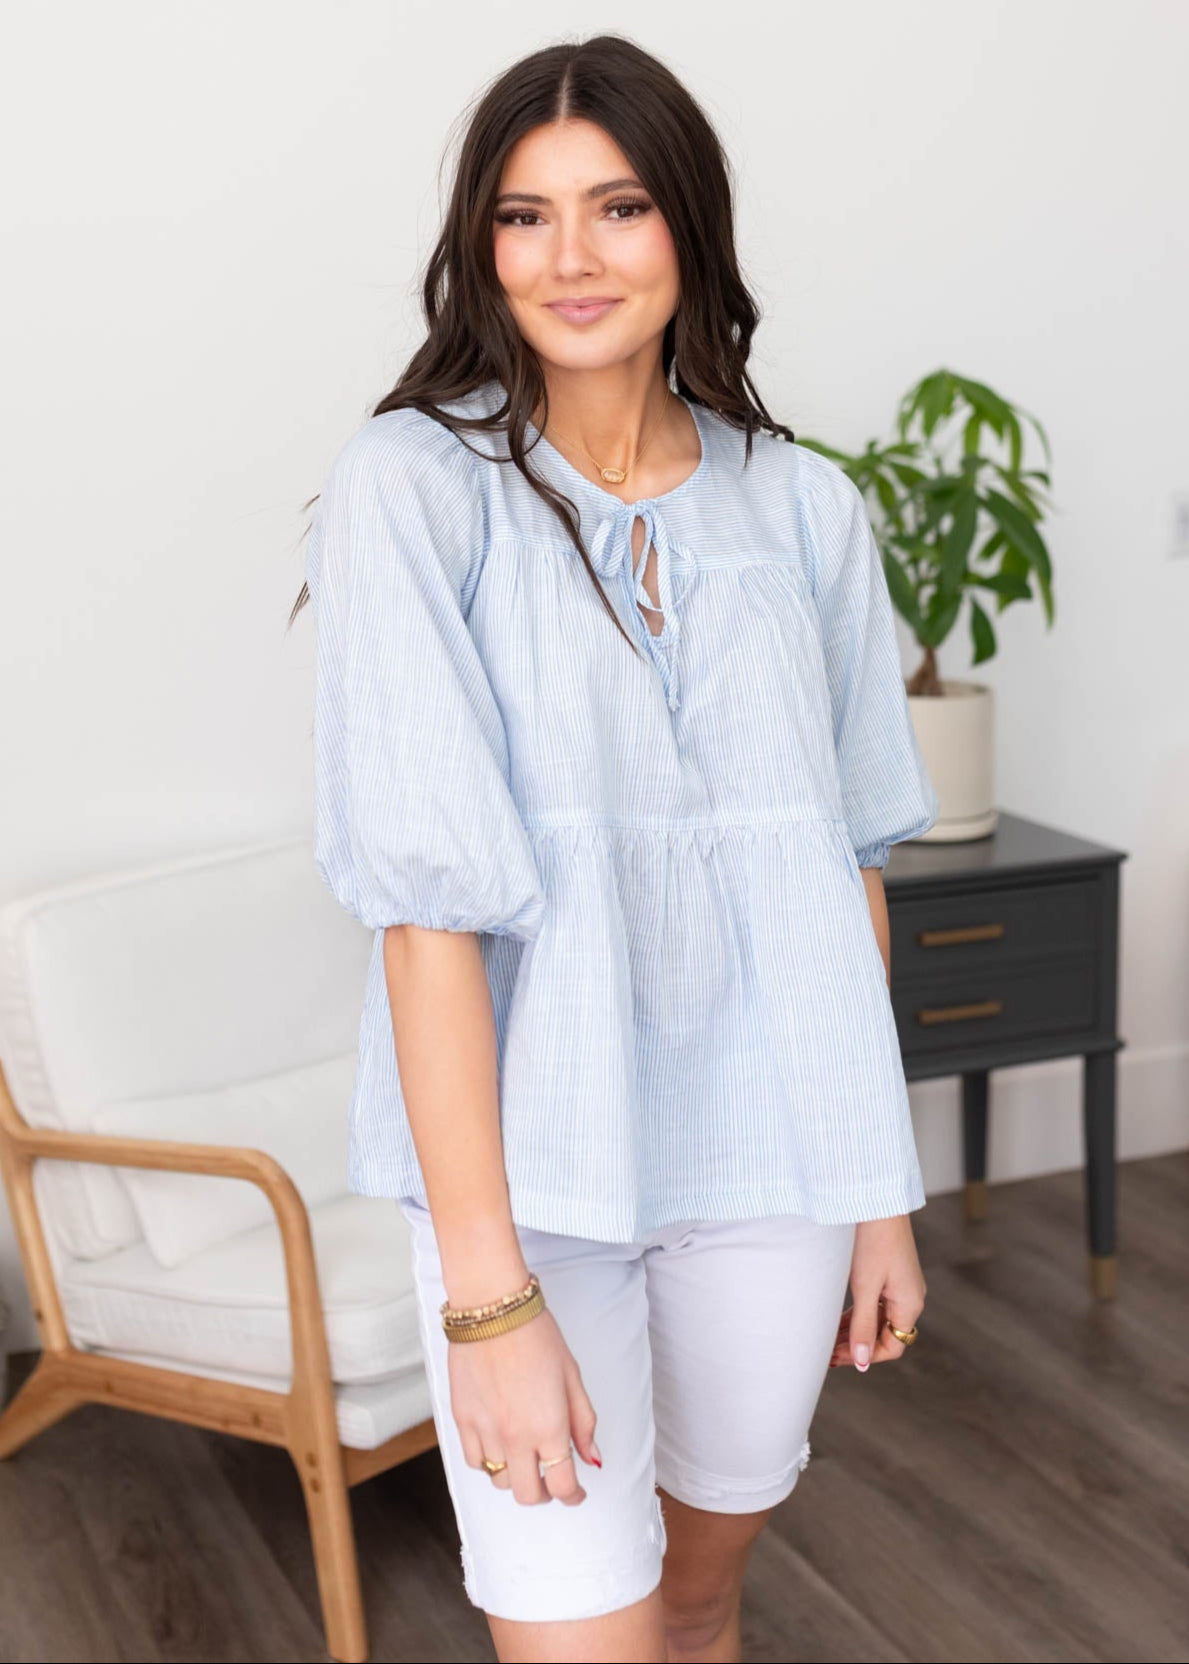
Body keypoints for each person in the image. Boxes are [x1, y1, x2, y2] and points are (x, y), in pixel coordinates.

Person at [295, 32, 936, 1664]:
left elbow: (843, 865)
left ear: (688, 234)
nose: (570, 257)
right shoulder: (413, 489)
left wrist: (874, 1201)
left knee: (702, 1598)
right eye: (523, 217)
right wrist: (490, 1301)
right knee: (583, 1630)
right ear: (480, 246)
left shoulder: (807, 510)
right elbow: (428, 916)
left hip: (777, 1166)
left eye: (618, 207)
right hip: (537, 1179)